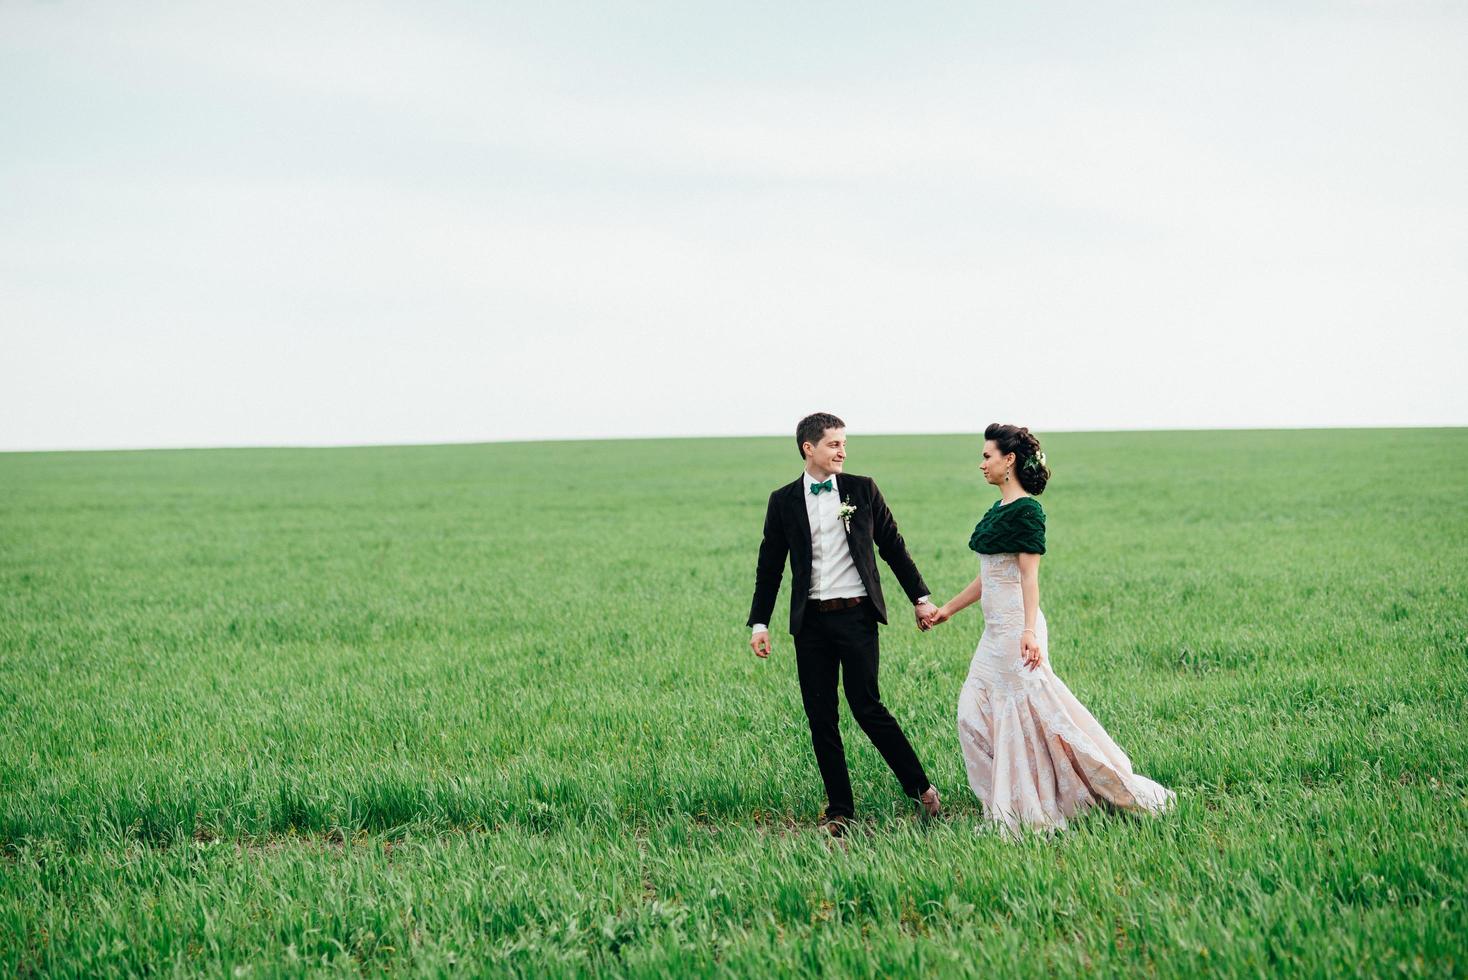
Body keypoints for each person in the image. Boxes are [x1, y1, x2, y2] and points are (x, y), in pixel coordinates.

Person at [923, 423, 1175, 834]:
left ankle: (1043, 800)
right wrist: (949, 609)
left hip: (1017, 631)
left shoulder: (1028, 511)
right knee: (972, 712)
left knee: (1027, 716)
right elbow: (988, 576)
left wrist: (1027, 631)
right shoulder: (996, 511)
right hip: (993, 634)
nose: (981, 463)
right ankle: (1003, 797)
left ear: (1009, 461)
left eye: (987, 456)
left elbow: (1028, 578)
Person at [747, 412, 942, 837]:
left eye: (843, 443)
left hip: (856, 617)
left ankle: (922, 790)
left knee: (867, 707)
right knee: (821, 716)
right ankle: (840, 812)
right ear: (809, 448)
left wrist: (920, 599)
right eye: (834, 444)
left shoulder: (861, 489)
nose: (842, 451)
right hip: (811, 624)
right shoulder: (783, 501)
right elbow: (770, 567)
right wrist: (759, 623)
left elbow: (892, 546)